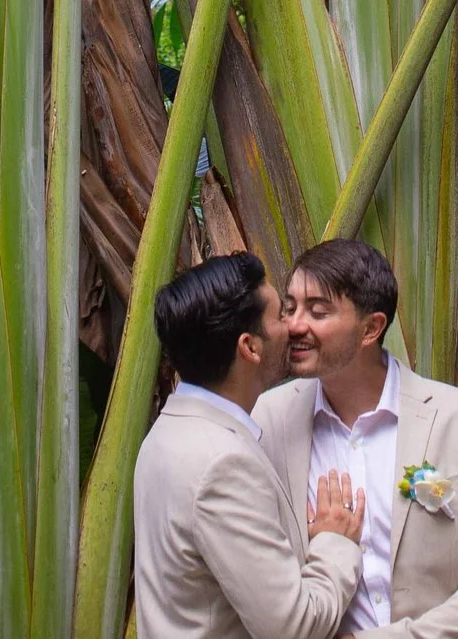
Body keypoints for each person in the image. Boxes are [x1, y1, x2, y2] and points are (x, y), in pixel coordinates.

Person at [252, 240, 458, 639]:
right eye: (290, 307)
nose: (296, 325)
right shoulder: (267, 419)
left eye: (318, 311)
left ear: (371, 328)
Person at [135, 251, 368, 639]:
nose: (293, 326)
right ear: (250, 347)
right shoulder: (222, 464)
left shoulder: (166, 432)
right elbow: (292, 627)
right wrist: (335, 543)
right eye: (279, 316)